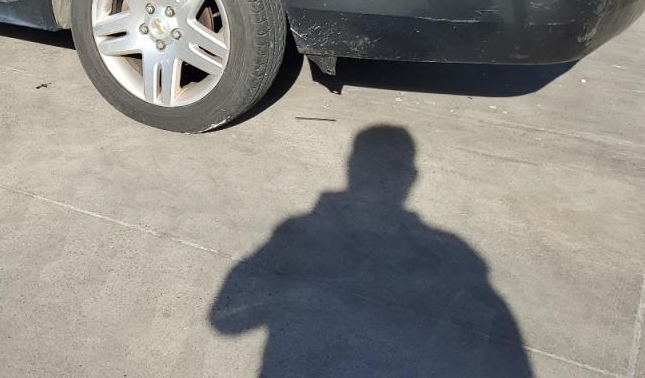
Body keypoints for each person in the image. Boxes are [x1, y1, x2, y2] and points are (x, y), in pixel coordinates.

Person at [210, 126, 533, 376]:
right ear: (411, 178)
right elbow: (225, 319)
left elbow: (227, 320)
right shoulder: (452, 252)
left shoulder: (298, 230)